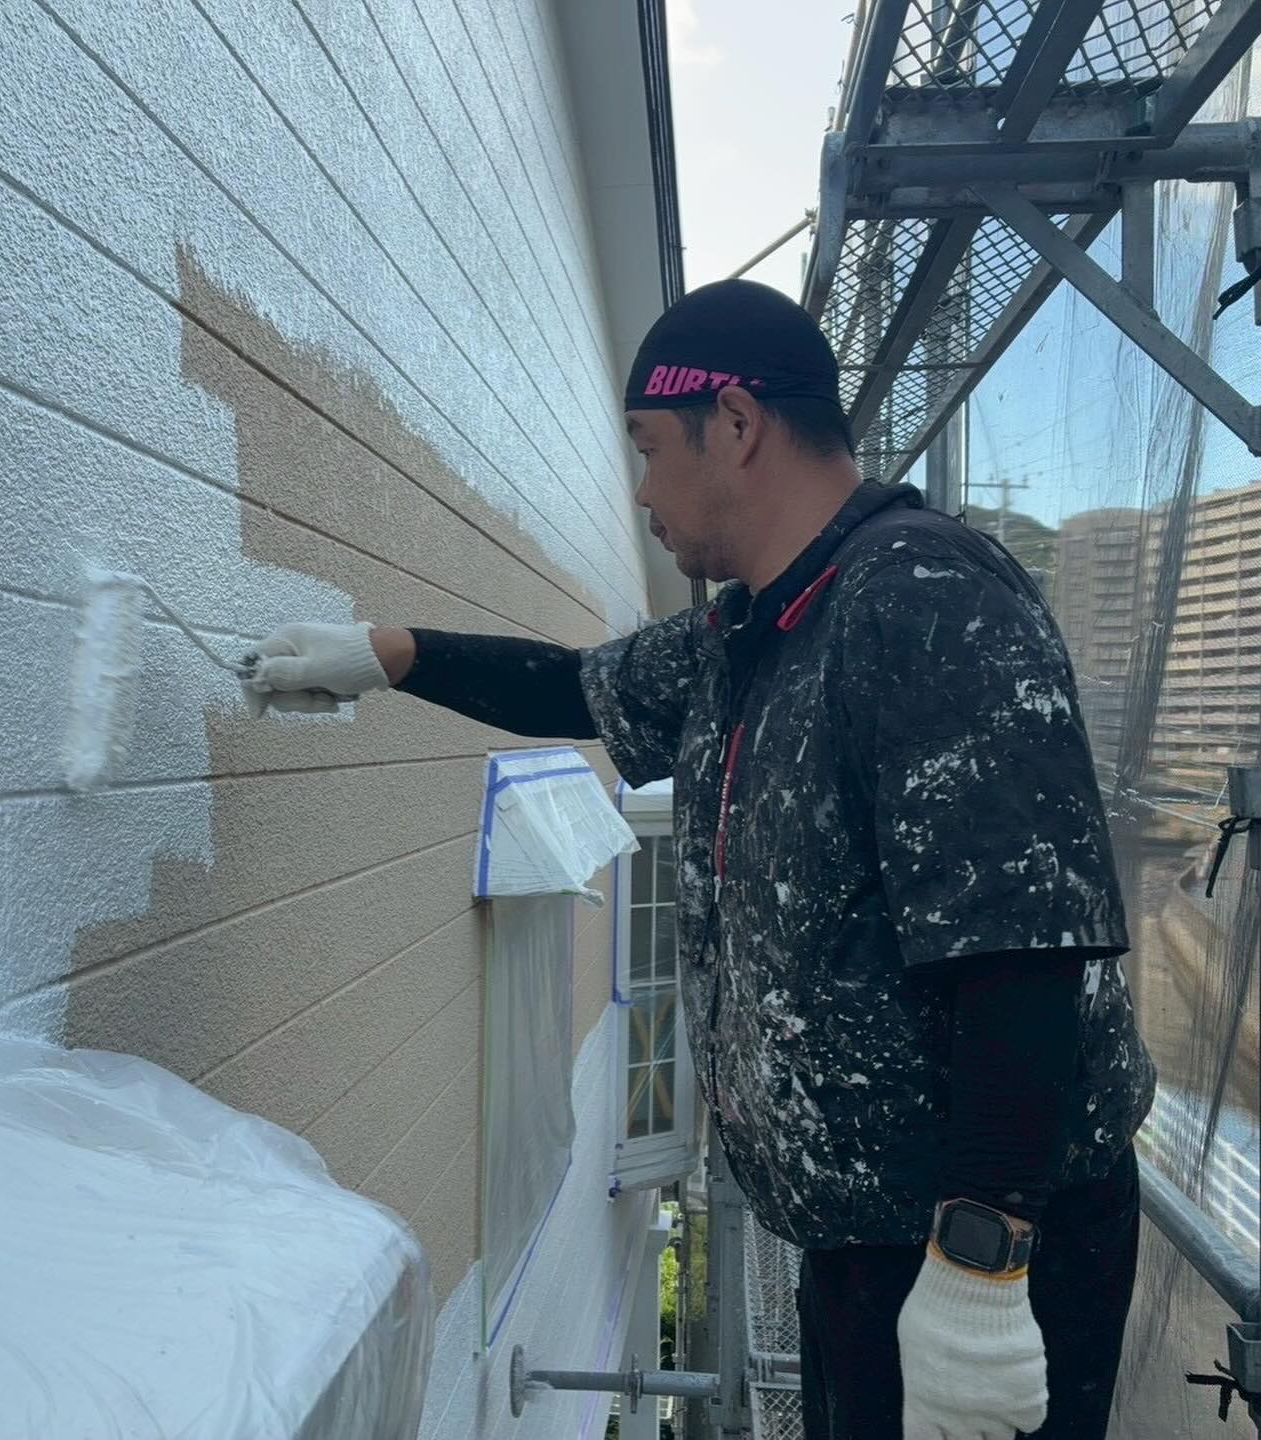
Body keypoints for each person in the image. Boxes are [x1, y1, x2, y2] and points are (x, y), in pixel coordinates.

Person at [241, 279, 1155, 1440]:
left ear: (733, 422)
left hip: (984, 1241)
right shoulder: (757, 629)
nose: (641, 492)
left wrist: (982, 1266)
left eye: (648, 448)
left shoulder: (923, 597)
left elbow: (1022, 946)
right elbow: (576, 686)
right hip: (863, 1239)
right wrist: (387, 655)